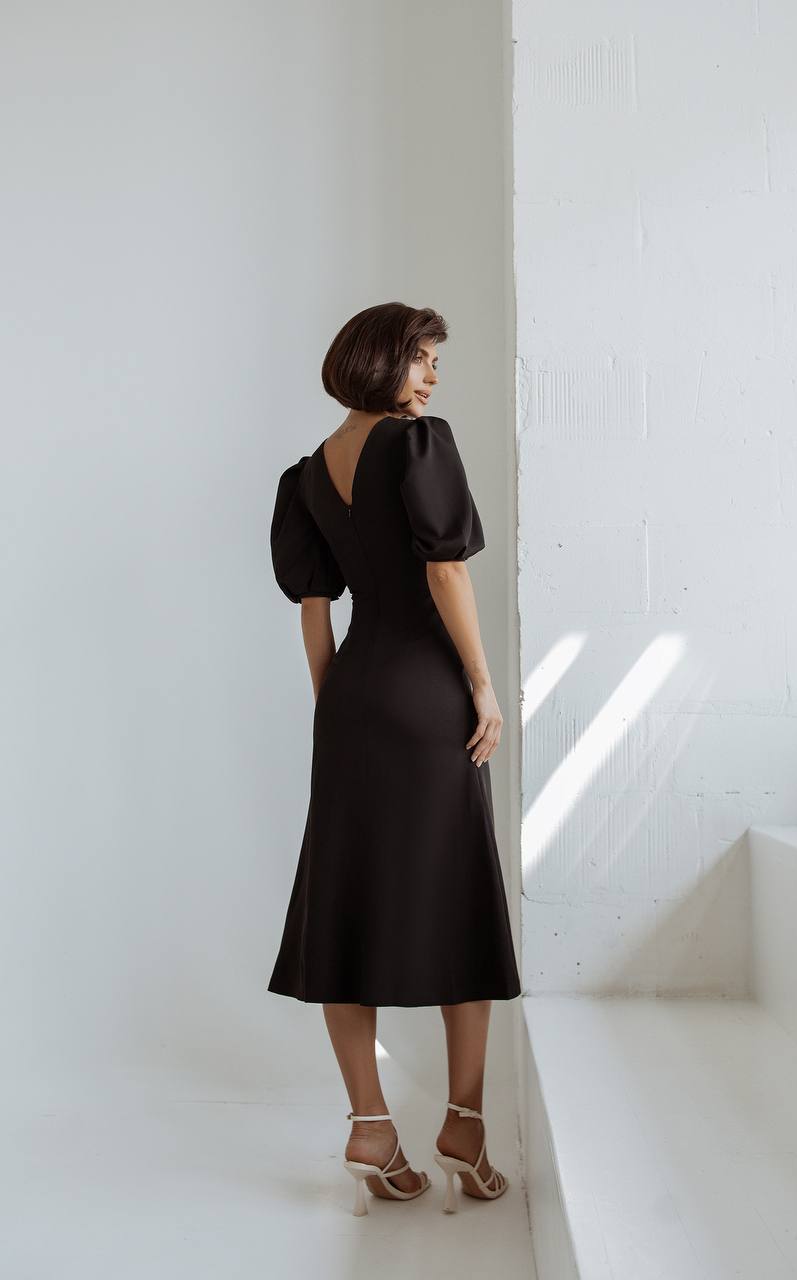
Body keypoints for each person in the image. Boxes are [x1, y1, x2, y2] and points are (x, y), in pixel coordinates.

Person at [267, 302, 522, 1216]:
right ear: (380, 360)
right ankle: (463, 1120)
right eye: (421, 359)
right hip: (424, 690)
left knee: (346, 896)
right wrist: (483, 686)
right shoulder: (418, 446)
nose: (432, 377)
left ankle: (369, 1125)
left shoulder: (304, 477)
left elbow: (313, 605)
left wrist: (333, 707)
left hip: (351, 697)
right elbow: (445, 572)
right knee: (456, 886)